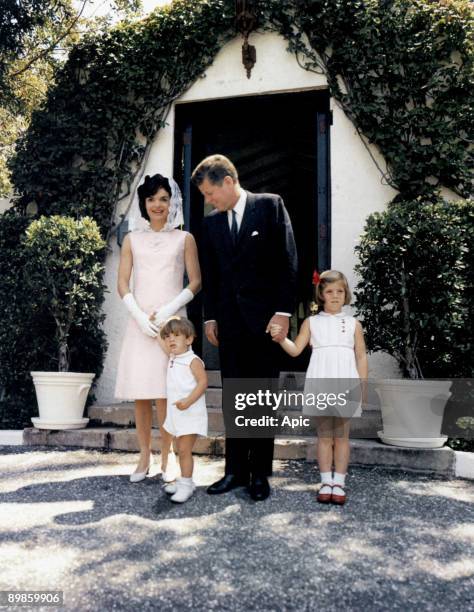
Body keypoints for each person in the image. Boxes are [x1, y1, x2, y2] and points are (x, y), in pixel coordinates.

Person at [192, 154, 297, 501]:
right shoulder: (211, 224)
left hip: (267, 323)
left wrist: (283, 313)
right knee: (235, 397)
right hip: (230, 324)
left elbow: (288, 261)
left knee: (263, 397)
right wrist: (210, 316)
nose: (208, 201)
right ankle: (235, 471)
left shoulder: (269, 206)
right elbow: (212, 274)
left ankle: (259, 475)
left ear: (227, 181)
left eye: (209, 193)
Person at [115, 173, 201, 483]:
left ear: (172, 202)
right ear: (144, 203)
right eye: (152, 199)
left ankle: (168, 458)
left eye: (163, 199)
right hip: (141, 323)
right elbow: (123, 283)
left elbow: (196, 281)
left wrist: (168, 310)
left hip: (172, 324)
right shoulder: (132, 239)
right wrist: (138, 315)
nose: (157, 204)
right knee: (142, 393)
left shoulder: (184, 239)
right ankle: (143, 456)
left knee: (167, 392)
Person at [271, 270, 368, 505]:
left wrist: (362, 388)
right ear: (321, 295)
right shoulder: (311, 322)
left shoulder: (353, 324)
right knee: (325, 436)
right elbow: (295, 350)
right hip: (321, 380)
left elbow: (362, 357)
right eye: (329, 291)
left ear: (346, 294)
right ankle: (326, 481)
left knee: (342, 437)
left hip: (346, 381)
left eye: (340, 291)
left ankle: (339, 483)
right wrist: (281, 338)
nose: (335, 295)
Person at [156, 317, 208, 503]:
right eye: (168, 336)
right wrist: (160, 322)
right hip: (177, 414)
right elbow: (160, 337)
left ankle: (186, 485)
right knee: (179, 448)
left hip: (190, 412)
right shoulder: (173, 357)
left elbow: (203, 383)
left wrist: (188, 401)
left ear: (189, 339)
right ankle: (184, 480)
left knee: (185, 450)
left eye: (176, 335)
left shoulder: (192, 360)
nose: (171, 340)